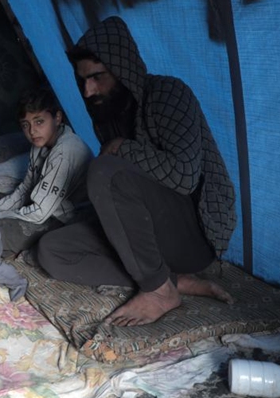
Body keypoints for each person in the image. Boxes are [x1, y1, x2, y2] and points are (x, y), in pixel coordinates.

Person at [36, 16, 238, 326]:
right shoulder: (107, 113)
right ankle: (171, 280)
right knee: (52, 251)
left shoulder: (168, 94)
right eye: (83, 81)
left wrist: (123, 147)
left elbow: (184, 177)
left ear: (123, 68)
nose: (88, 91)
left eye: (98, 77)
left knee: (104, 170)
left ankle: (159, 292)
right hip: (153, 238)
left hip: (195, 234)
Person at [0, 88, 93, 257]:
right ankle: (11, 234)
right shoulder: (39, 144)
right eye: (26, 125)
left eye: (39, 122)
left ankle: (22, 245)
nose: (32, 131)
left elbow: (40, 213)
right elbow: (26, 187)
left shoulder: (66, 152)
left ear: (57, 118)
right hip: (44, 206)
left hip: (65, 219)